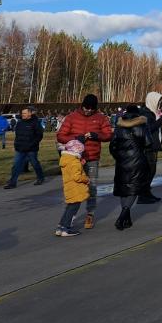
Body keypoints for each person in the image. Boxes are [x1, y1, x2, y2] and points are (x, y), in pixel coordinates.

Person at [56, 94, 113, 230]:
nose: (88, 111)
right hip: (75, 159)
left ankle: (90, 214)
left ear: (95, 108)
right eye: (86, 108)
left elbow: (109, 135)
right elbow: (60, 136)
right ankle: (70, 217)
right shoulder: (72, 117)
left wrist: (96, 136)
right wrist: (76, 138)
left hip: (92, 157)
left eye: (91, 109)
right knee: (75, 188)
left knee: (92, 187)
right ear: (82, 106)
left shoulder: (101, 118)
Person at [110, 105, 153, 230]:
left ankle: (126, 218)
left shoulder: (119, 126)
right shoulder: (142, 125)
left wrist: (118, 156)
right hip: (137, 159)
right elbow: (148, 143)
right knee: (133, 188)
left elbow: (112, 145)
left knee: (124, 188)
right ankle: (123, 215)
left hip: (122, 160)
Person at [4, 107, 45, 189]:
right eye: (22, 113)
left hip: (31, 149)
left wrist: (32, 144)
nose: (23, 115)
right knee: (16, 165)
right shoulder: (20, 123)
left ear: (29, 114)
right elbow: (17, 136)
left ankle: (40, 178)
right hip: (20, 148)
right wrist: (16, 145)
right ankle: (12, 182)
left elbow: (39, 136)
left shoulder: (35, 123)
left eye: (25, 113)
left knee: (35, 163)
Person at [56, 140, 90, 237]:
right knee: (73, 209)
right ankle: (66, 228)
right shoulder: (75, 162)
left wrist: (80, 164)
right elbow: (77, 177)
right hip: (76, 189)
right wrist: (86, 179)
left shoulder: (66, 159)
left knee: (69, 208)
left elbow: (72, 170)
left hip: (69, 187)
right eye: (80, 152)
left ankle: (61, 226)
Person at [139, 91, 162, 203]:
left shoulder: (152, 112)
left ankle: (147, 193)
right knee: (149, 171)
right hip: (148, 146)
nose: (159, 104)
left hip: (153, 145)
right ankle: (143, 195)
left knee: (152, 170)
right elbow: (150, 128)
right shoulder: (146, 113)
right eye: (158, 101)